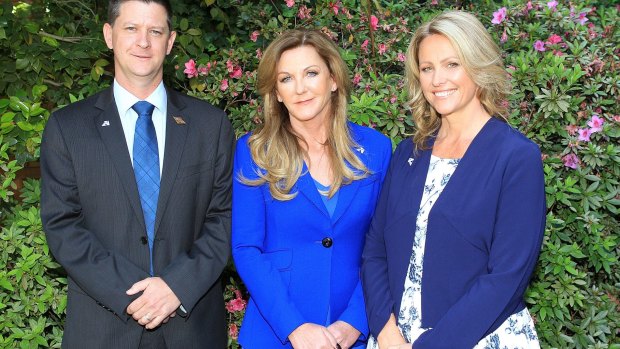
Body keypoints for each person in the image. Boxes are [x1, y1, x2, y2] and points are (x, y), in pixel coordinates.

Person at [40, 0, 233, 347]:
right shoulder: (68, 128)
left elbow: (225, 218)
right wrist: (133, 294)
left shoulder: (211, 125)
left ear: (170, 42)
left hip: (191, 328)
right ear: (109, 35)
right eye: (131, 28)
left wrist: (177, 286)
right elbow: (63, 226)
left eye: (155, 31)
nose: (143, 41)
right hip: (103, 328)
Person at [361, 10, 546, 349]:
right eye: (427, 68)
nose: (436, 80)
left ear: (478, 66)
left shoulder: (516, 157)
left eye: (451, 64)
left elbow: (507, 276)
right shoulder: (408, 153)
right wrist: (385, 329)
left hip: (478, 338)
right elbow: (375, 250)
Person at [232, 29, 392, 349]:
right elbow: (246, 250)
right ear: (276, 92)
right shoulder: (253, 152)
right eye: (286, 78)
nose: (301, 88)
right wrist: (295, 327)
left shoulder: (376, 149)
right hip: (276, 334)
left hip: (351, 335)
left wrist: (355, 322)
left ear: (333, 79)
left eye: (311, 73)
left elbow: (386, 246)